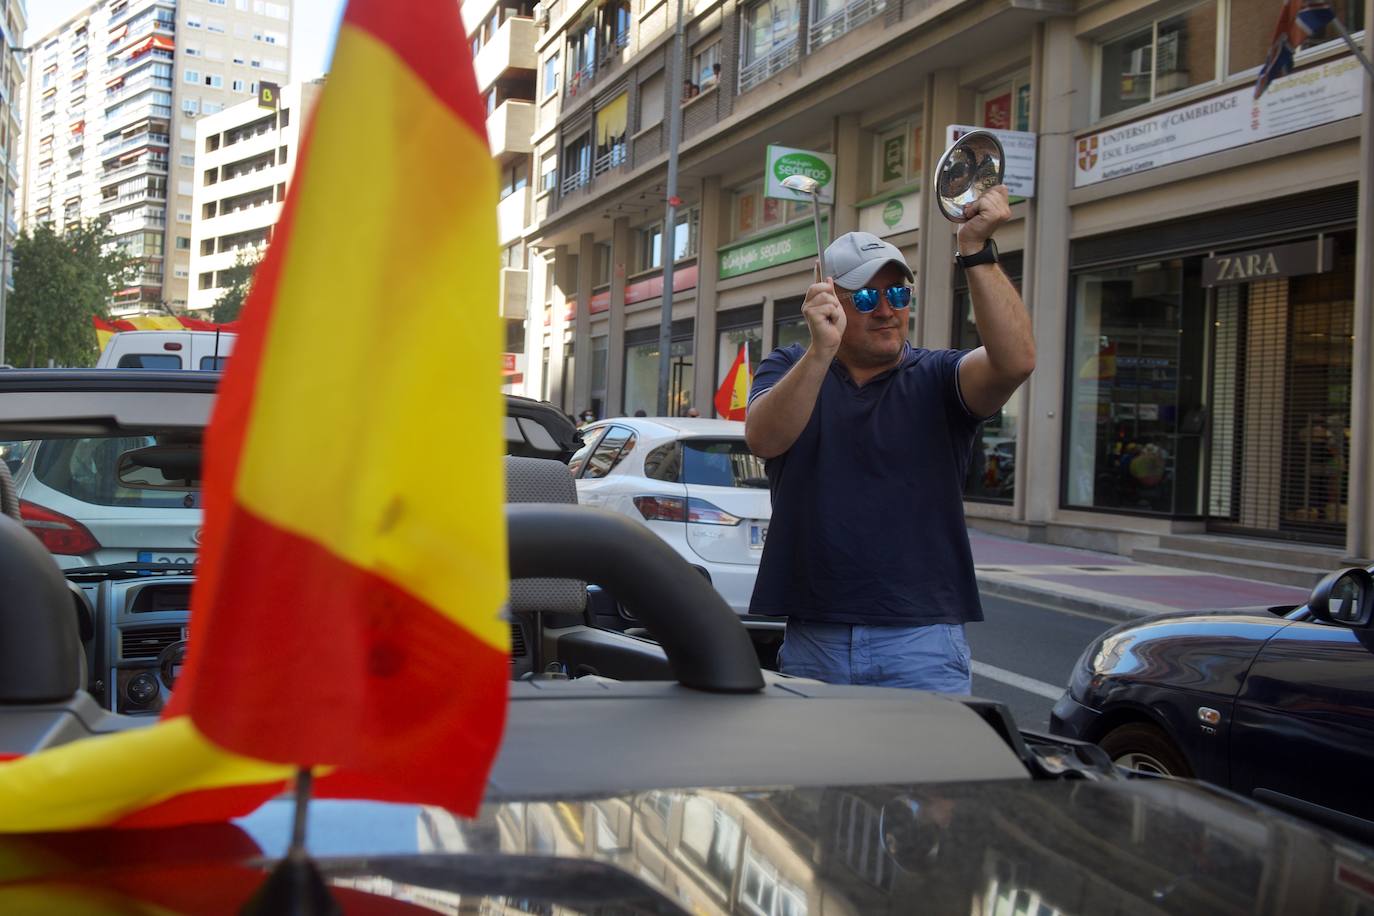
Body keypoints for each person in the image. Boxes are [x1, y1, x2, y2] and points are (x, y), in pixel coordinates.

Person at [743, 188, 1034, 693]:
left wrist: (977, 250)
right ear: (829, 299)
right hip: (817, 639)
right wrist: (820, 352)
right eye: (864, 297)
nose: (886, 309)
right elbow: (764, 439)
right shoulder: (791, 365)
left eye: (898, 294)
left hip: (922, 643)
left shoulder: (940, 377)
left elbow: (1015, 361)